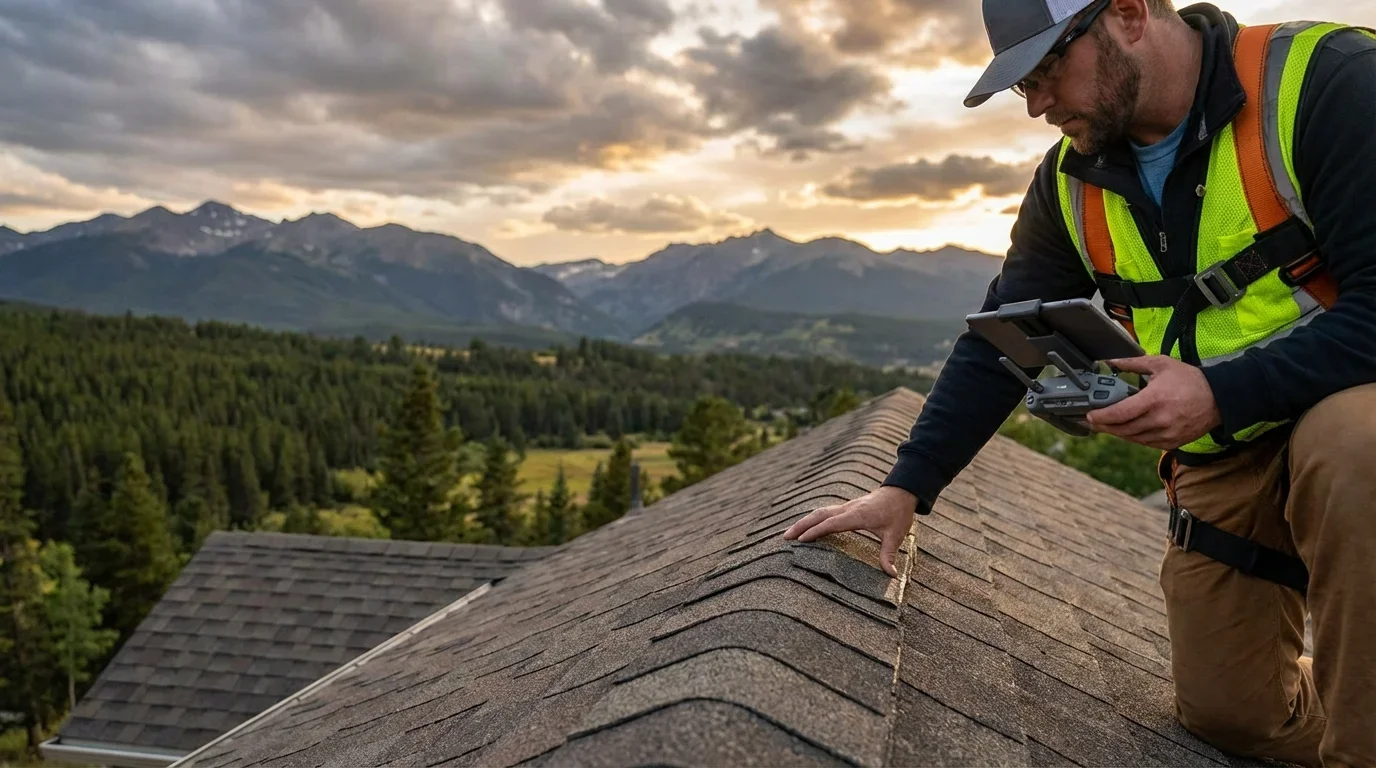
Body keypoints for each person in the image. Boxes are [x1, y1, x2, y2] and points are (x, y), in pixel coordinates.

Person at [782, 0, 1376, 765]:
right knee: (1234, 716)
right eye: (1020, 86)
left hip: (1344, 409)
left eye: (1046, 70)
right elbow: (1007, 333)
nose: (1035, 105)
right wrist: (906, 484)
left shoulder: (1326, 83)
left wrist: (1219, 391)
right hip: (1226, 449)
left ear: (1128, 14)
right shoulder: (1069, 182)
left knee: (1357, 449)